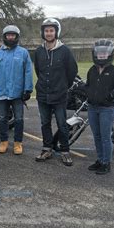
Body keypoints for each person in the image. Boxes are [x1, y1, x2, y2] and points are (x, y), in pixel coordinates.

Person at [34, 18, 78, 166]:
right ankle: (47, 148)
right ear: (43, 32)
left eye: (51, 30)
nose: (49, 33)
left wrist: (64, 86)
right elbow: (38, 70)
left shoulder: (65, 51)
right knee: (45, 123)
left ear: (56, 32)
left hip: (59, 95)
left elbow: (72, 71)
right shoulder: (39, 51)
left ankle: (65, 151)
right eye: (46, 31)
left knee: (61, 124)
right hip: (42, 94)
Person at [0, 25, 33, 155]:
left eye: (13, 35)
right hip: (1, 93)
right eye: (8, 35)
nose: (11, 37)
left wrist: (27, 90)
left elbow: (28, 72)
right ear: (5, 37)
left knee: (18, 119)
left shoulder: (23, 53)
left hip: (17, 93)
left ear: (17, 37)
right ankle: (4, 141)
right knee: (2, 118)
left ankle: (18, 143)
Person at [85, 39, 114, 175]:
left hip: (106, 109)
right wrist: (85, 92)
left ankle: (106, 163)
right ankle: (100, 159)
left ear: (110, 54)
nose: (101, 56)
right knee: (96, 136)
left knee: (105, 137)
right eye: (99, 53)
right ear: (95, 54)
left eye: (104, 53)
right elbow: (88, 86)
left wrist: (109, 96)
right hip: (92, 108)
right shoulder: (92, 70)